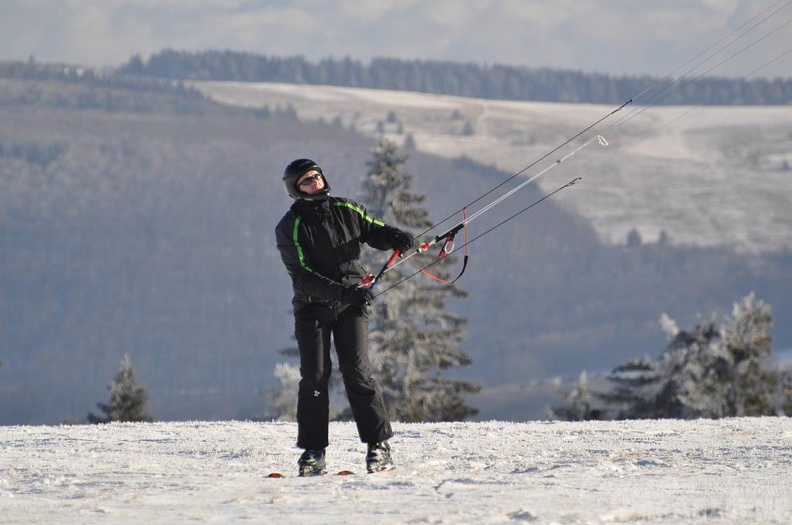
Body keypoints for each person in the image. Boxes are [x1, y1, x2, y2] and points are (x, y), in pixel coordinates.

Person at [274, 158, 414, 476]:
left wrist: (394, 236)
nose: (314, 183)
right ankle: (313, 453)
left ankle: (378, 447)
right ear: (295, 189)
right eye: (306, 181)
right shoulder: (289, 226)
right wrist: (344, 293)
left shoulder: (346, 208)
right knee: (315, 377)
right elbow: (302, 277)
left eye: (317, 177)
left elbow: (371, 230)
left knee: (358, 373)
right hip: (313, 309)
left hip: (352, 306)